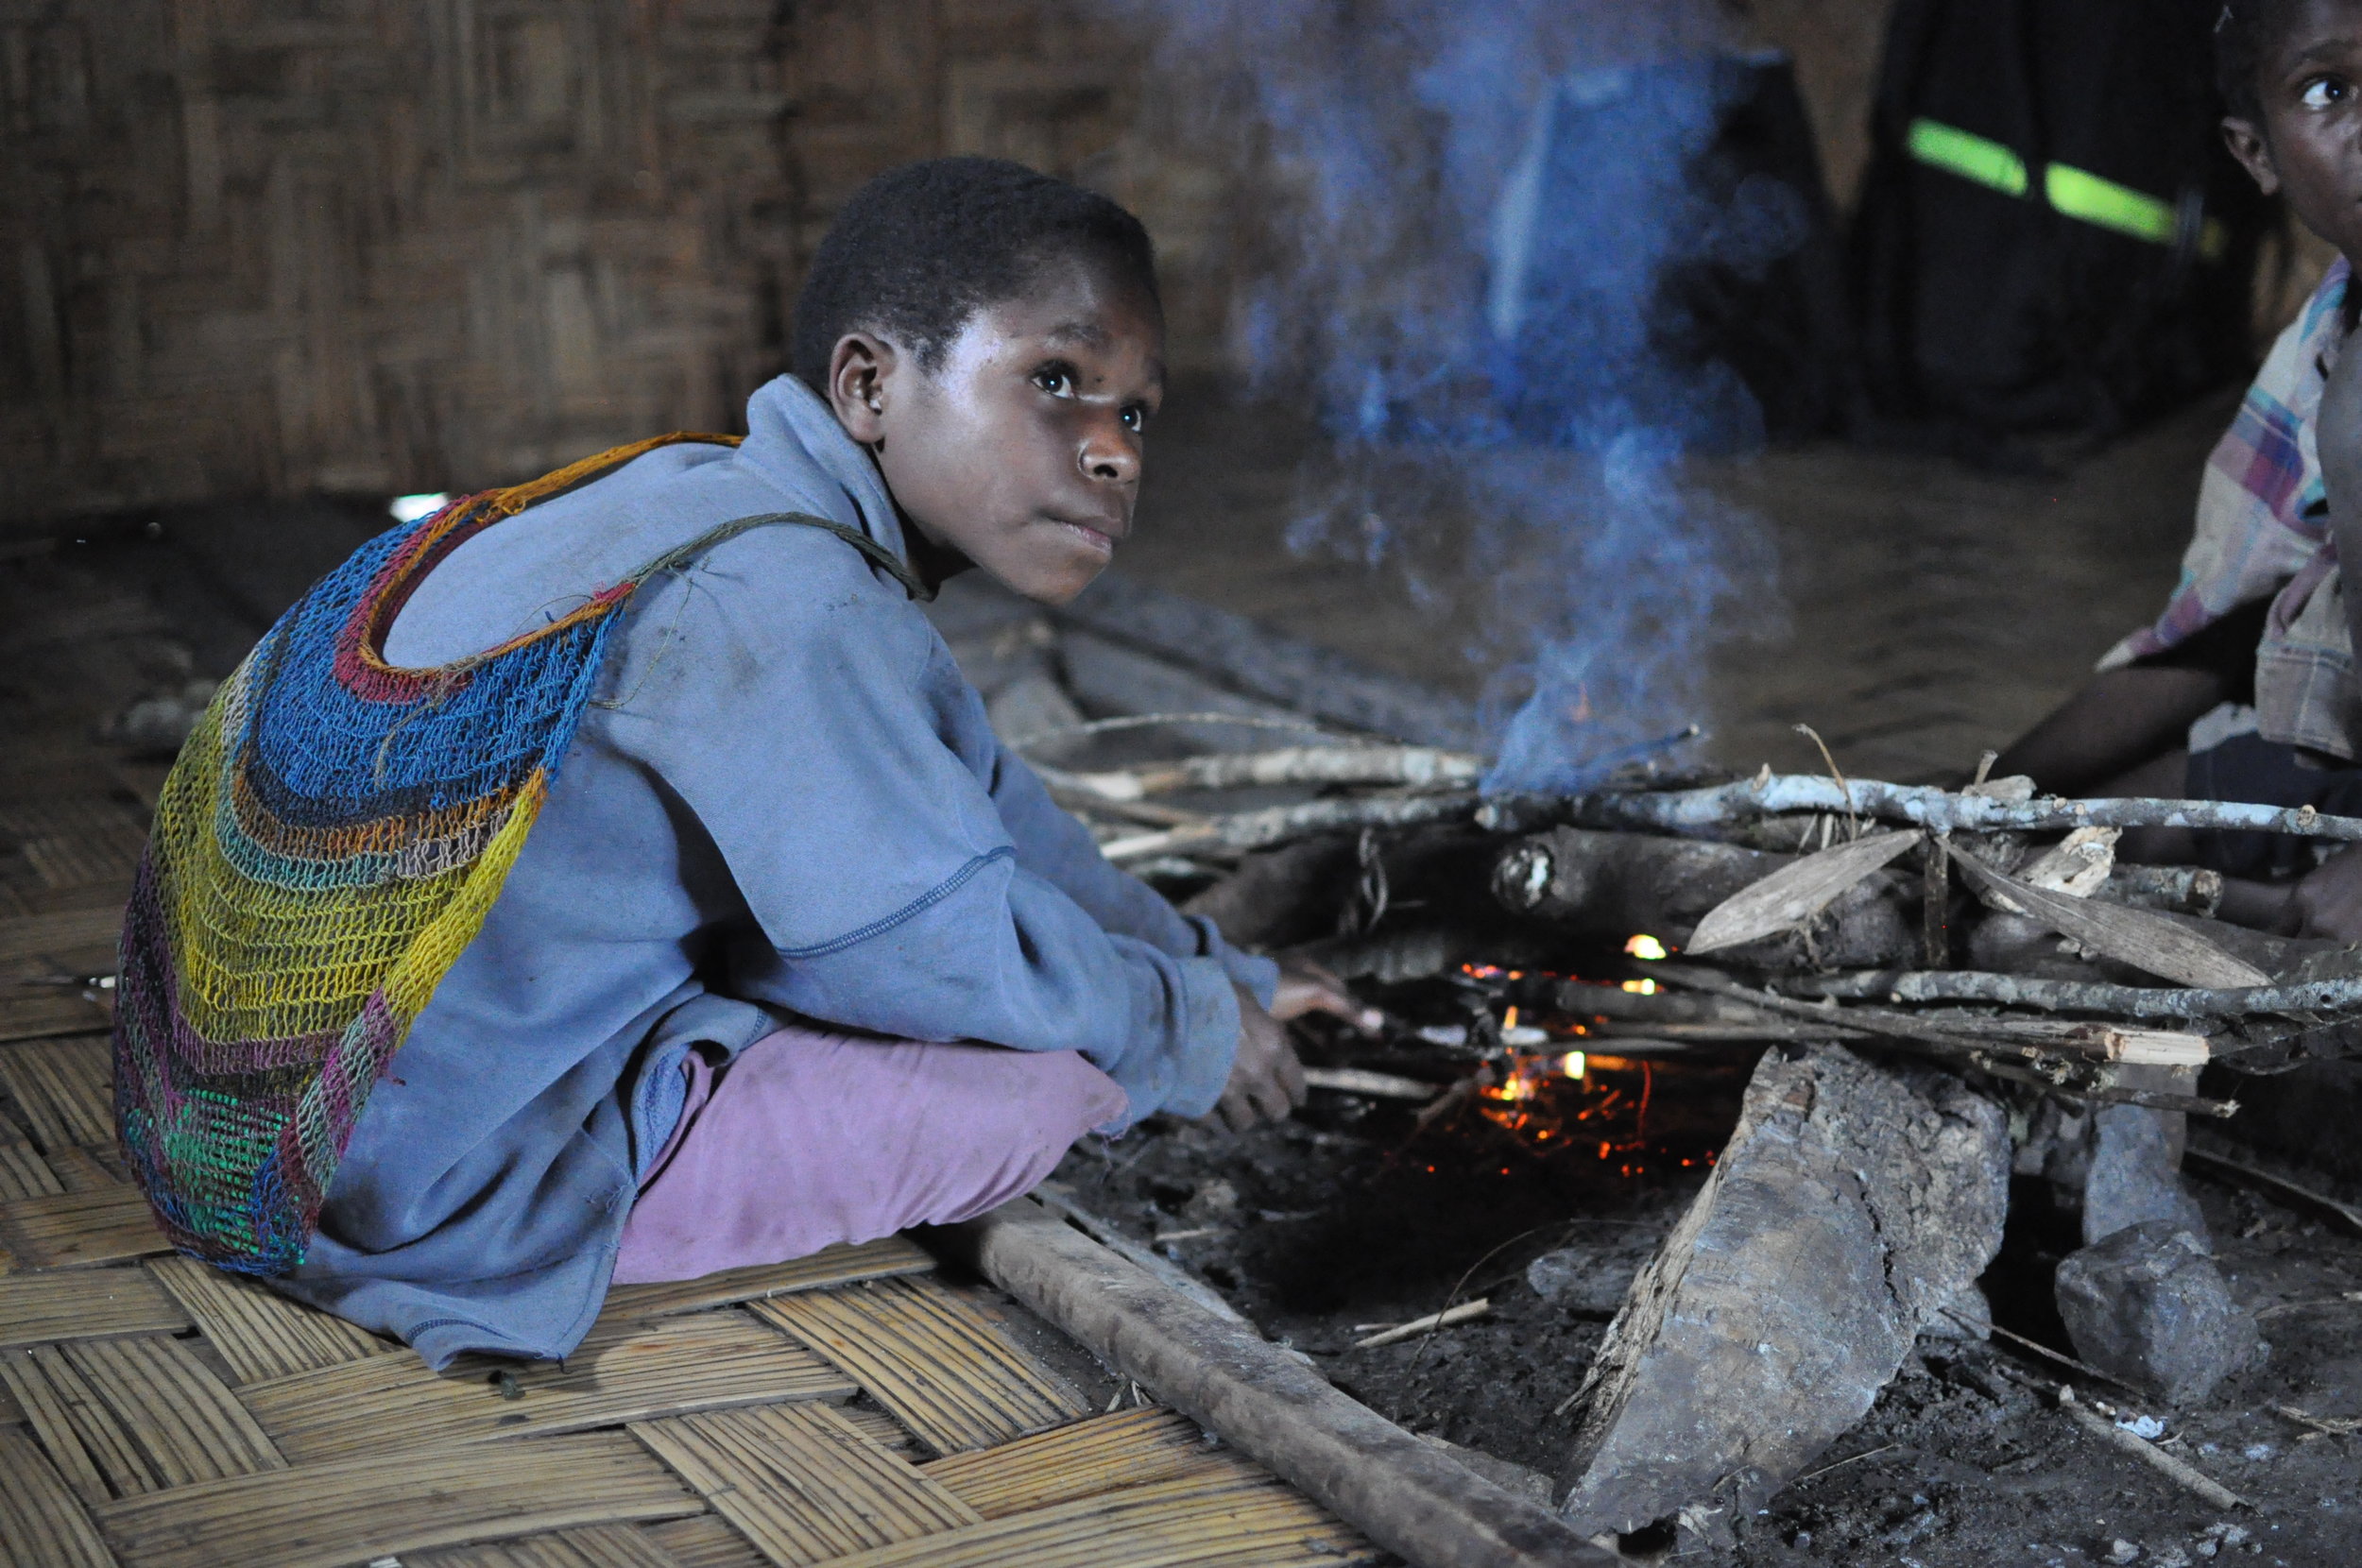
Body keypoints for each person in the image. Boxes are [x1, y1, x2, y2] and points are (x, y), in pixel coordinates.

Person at [113, 157, 1369, 1369]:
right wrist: (1185, 1031)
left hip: (215, 1111)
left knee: (862, 931)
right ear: (870, 387)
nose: (1117, 452)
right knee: (1038, 1094)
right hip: (380, 1177)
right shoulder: (787, 600)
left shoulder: (706, 496)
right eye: (1056, 380)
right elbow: (951, 952)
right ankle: (529, 1214)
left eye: (1135, 411)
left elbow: (996, 815)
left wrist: (1226, 971)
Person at [1996, 0, 2362, 937]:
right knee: (2059, 863)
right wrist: (1982, 796)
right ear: (2257, 156)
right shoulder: (2325, 344)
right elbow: (2212, 633)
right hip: (2346, 761)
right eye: (2328, 90)